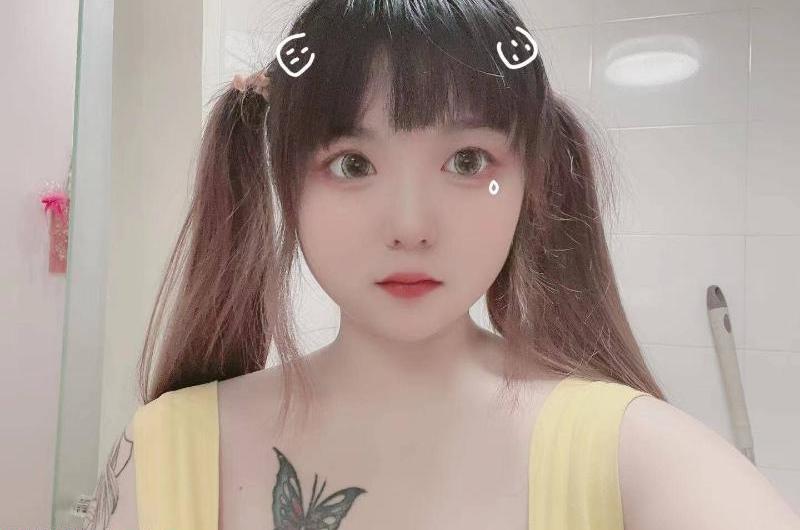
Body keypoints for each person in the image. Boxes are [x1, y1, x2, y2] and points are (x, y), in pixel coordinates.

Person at [81, 0, 800, 529]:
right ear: (284, 181)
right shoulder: (168, 450)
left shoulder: (638, 457)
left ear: (530, 180)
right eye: (352, 163)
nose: (411, 227)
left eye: (467, 161)